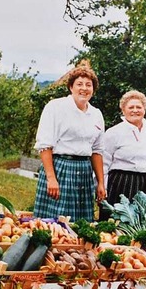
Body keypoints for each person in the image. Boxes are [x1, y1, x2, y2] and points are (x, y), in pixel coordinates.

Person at [33, 66, 106, 221]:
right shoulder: (55, 107)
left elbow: (97, 151)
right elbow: (45, 146)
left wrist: (100, 182)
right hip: (60, 168)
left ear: (93, 89)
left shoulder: (96, 114)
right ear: (71, 87)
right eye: (79, 84)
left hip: (84, 172)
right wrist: (51, 178)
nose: (84, 88)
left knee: (82, 223)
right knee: (55, 223)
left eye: (88, 85)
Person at [100, 90, 146, 220]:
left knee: (144, 227)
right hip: (120, 184)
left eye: (138, 107)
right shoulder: (113, 132)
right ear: (123, 110)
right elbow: (103, 163)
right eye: (131, 107)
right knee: (118, 225)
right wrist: (104, 189)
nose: (135, 110)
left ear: (144, 109)